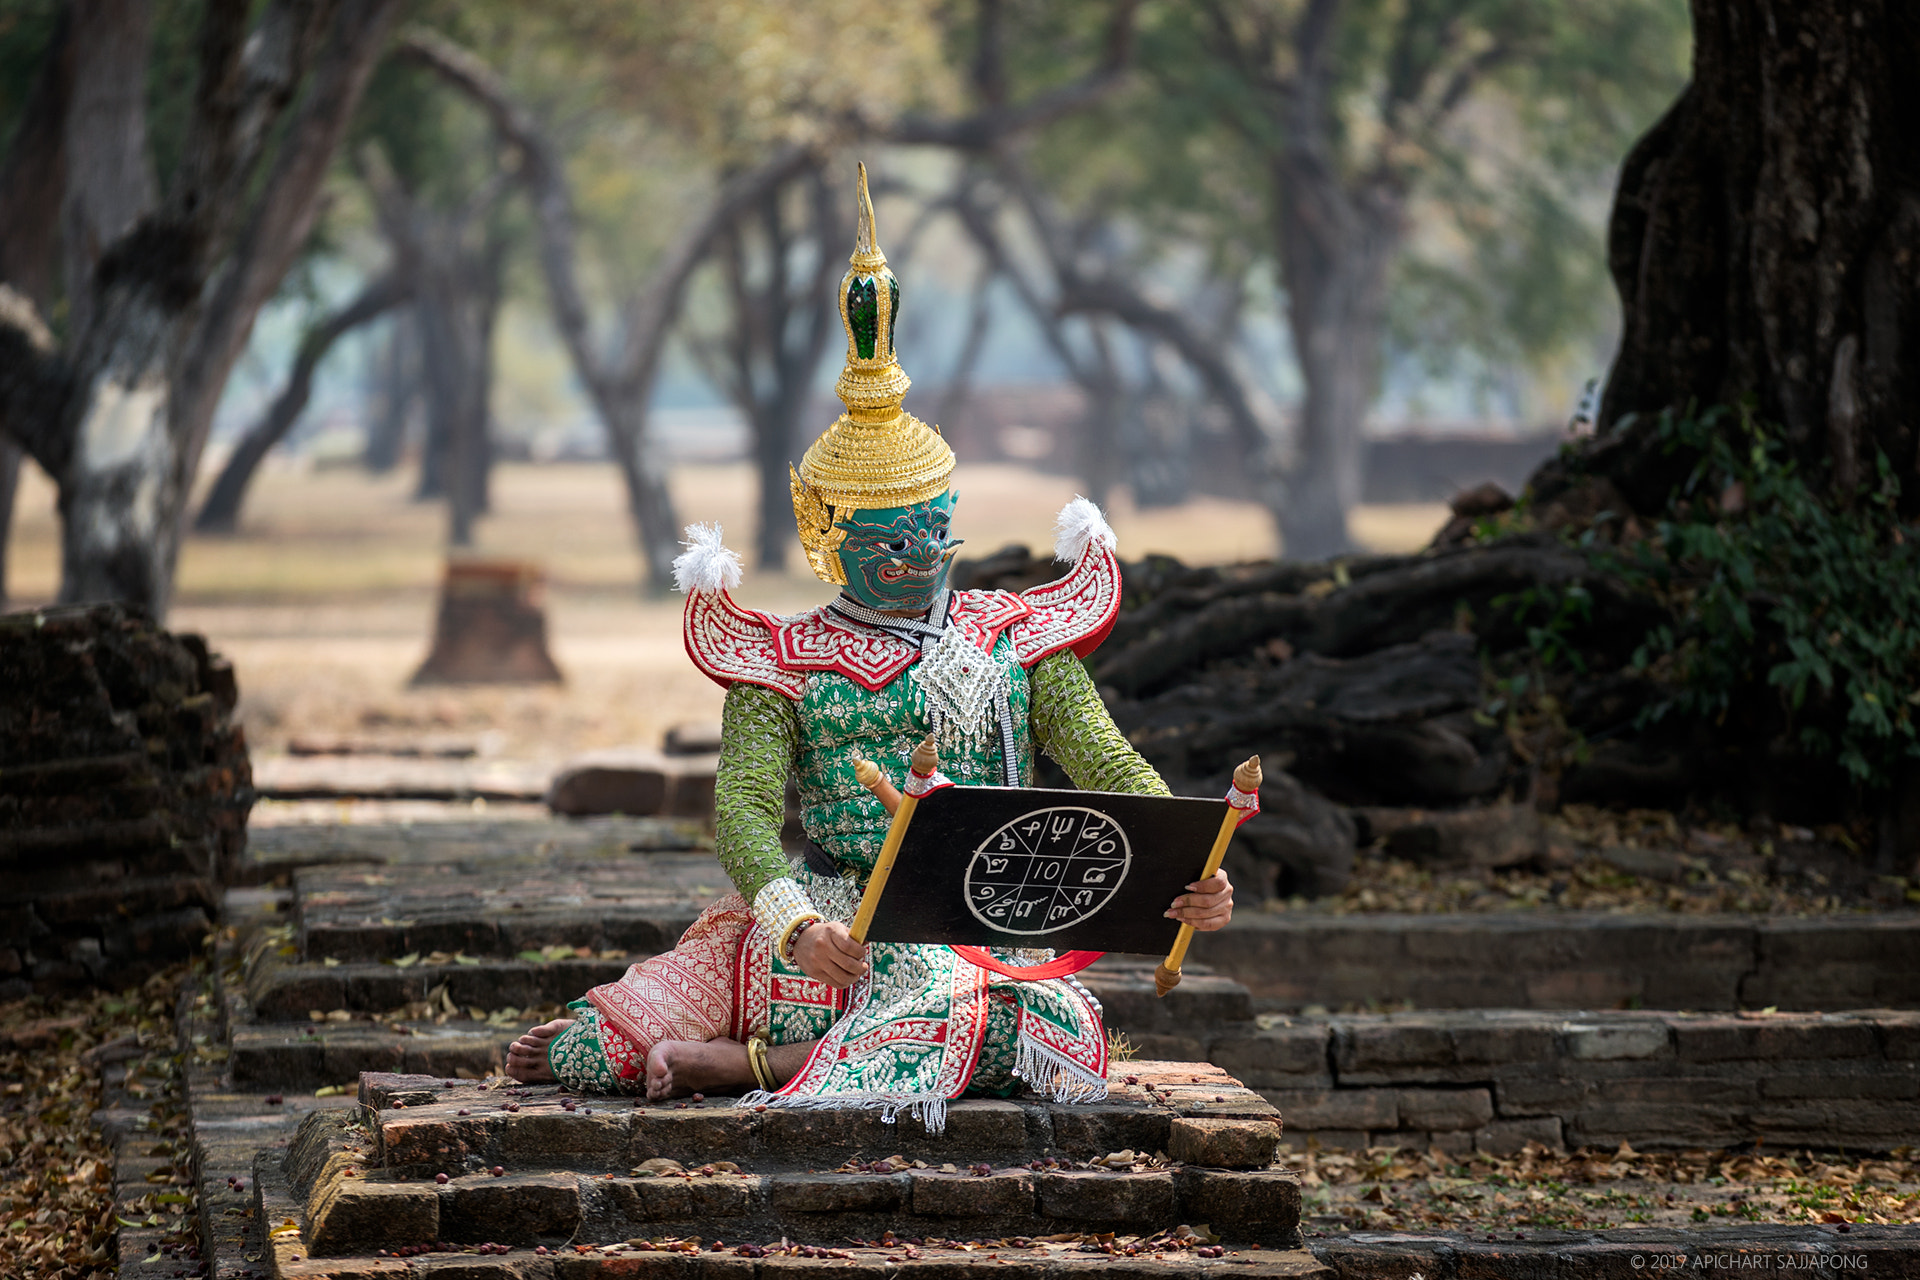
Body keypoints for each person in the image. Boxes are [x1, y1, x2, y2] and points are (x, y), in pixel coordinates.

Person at [504, 164, 1236, 1131]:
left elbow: (1105, 761)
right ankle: (789, 1037)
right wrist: (793, 925)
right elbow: (744, 815)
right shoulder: (783, 658)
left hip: (978, 924)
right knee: (592, 1053)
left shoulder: (1015, 638)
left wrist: (1189, 865)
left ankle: (751, 1065)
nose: (918, 556)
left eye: (934, 529)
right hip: (829, 923)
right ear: (826, 536)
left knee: (1020, 1025)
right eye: (887, 540)